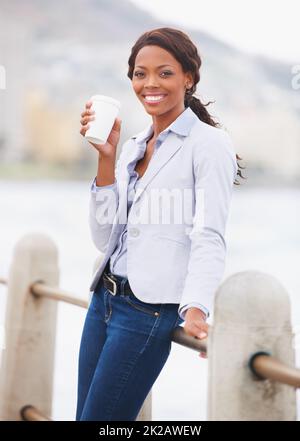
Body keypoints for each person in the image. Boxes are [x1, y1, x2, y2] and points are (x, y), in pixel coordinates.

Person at [76, 27, 245, 421]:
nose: (150, 83)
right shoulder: (134, 145)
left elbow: (209, 234)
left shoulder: (209, 144)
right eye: (140, 73)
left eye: (164, 73)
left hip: (146, 311)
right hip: (103, 299)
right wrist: (106, 156)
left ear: (188, 78)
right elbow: (105, 237)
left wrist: (197, 308)